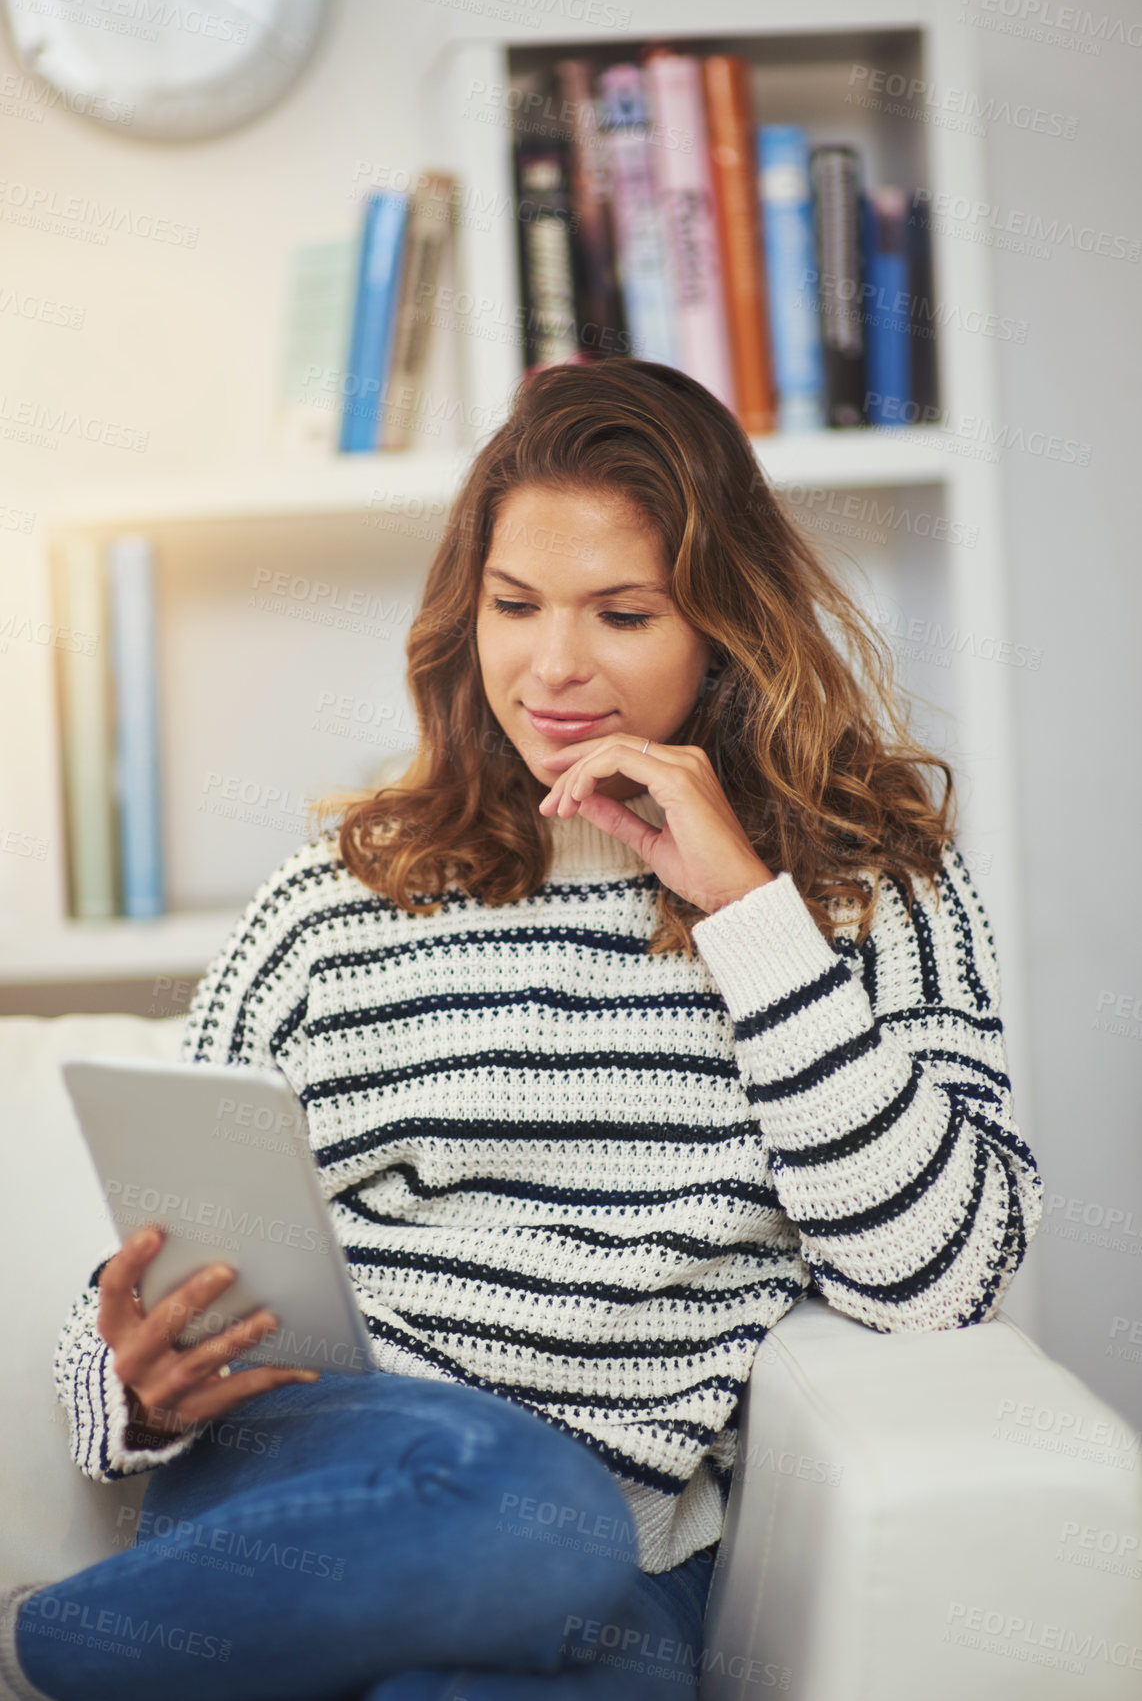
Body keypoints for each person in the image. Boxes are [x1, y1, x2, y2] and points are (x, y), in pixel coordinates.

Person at [0, 357, 1044, 1701]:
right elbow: (150, 1268)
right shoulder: (334, 898)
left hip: (620, 1561)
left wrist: (742, 912)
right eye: (512, 605)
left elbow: (937, 1286)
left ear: (725, 629)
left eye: (621, 613)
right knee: (506, 1499)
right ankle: (40, 1653)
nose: (551, 668)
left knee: (542, 1610)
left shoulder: (866, 888)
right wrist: (125, 1387)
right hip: (328, 1481)